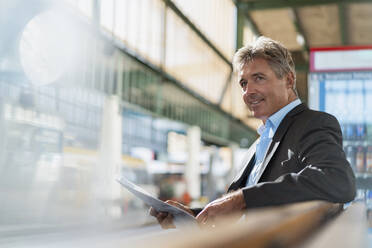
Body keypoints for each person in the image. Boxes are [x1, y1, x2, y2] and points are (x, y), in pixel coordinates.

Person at [150, 36, 356, 228]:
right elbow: (240, 209)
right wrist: (191, 215)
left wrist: (243, 199)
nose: (248, 91)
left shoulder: (313, 123)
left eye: (259, 78)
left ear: (289, 80)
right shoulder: (257, 145)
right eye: (243, 83)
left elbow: (337, 180)